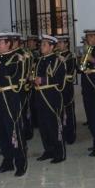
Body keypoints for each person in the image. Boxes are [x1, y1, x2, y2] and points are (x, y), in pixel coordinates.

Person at [0, 33, 27, 176]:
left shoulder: (17, 57)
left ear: (9, 44)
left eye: (0, 43)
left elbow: (9, 74)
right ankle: (7, 162)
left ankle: (20, 163)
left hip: (10, 97)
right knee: (2, 132)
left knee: (14, 131)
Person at [34, 35, 66, 163]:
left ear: (52, 46)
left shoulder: (58, 60)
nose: (41, 47)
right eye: (41, 44)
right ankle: (48, 150)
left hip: (51, 97)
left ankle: (60, 153)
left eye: (44, 45)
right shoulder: (39, 60)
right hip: (39, 97)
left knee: (54, 126)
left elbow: (60, 80)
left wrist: (42, 80)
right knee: (43, 126)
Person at [56, 35, 77, 144]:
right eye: (58, 43)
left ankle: (71, 136)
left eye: (60, 42)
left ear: (66, 44)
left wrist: (63, 62)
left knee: (68, 111)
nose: (58, 45)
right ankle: (62, 134)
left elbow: (70, 71)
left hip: (67, 87)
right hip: (57, 88)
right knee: (59, 112)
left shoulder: (71, 56)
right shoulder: (56, 55)